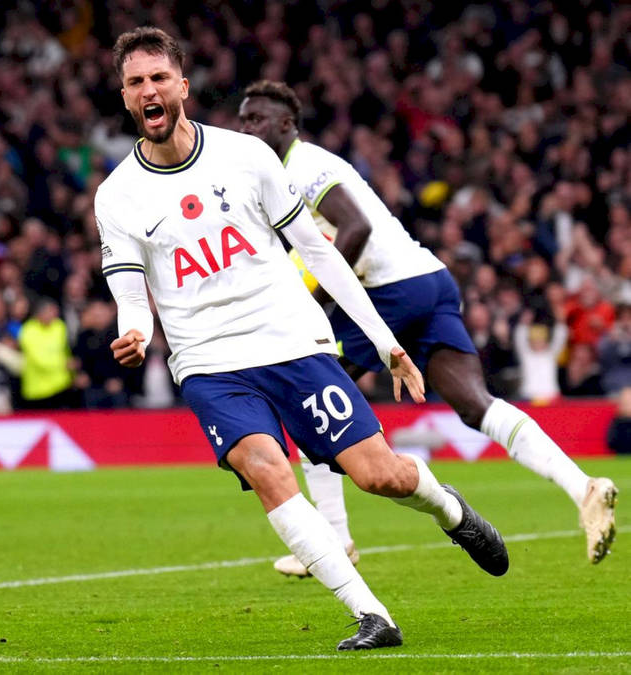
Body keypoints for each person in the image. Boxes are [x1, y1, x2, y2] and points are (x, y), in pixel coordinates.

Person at [98, 27, 507, 652]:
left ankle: (450, 510)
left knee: (380, 477)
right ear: (125, 97)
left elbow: (318, 250)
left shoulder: (246, 157)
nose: (147, 90)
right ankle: (373, 615)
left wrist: (384, 339)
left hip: (291, 344)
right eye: (135, 82)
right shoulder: (117, 196)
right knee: (267, 468)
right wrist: (135, 331)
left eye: (158, 78)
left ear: (182, 85)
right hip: (210, 364)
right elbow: (133, 294)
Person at [237, 79, 617, 571]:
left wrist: (314, 297)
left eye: (256, 119)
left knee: (308, 402)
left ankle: (334, 543)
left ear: (286, 124)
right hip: (428, 279)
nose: (245, 128)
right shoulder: (284, 173)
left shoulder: (306, 166)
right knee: (477, 406)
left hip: (391, 289)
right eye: (242, 119)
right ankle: (583, 487)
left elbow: (355, 228)